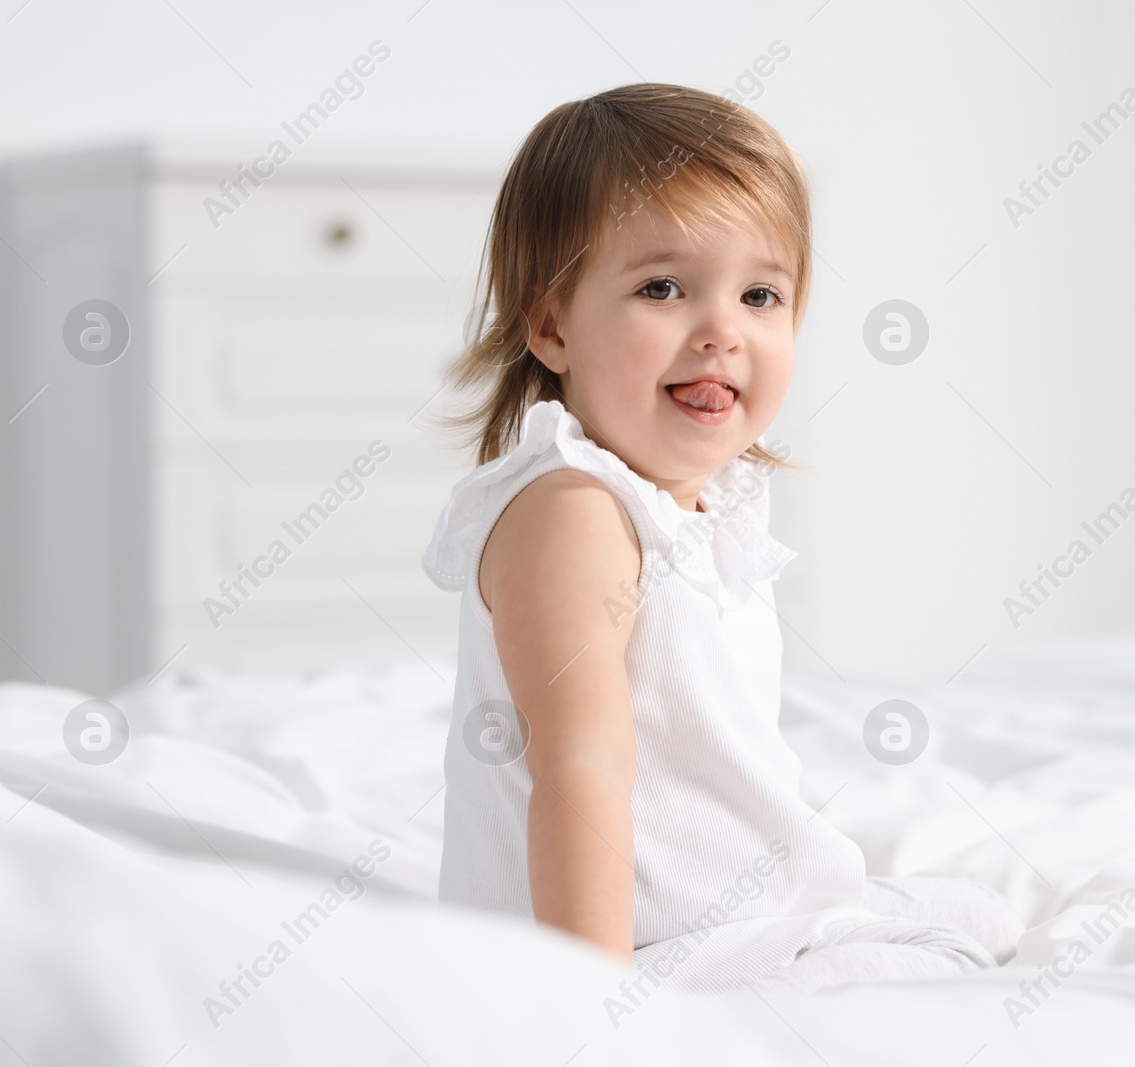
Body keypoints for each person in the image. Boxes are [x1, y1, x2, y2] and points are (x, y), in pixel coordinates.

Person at [424, 83, 1020, 995]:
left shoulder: (694, 508)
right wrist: (587, 1005)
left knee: (975, 909)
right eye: (663, 287)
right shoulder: (572, 513)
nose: (722, 332)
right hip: (634, 945)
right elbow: (577, 765)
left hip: (727, 907)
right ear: (550, 325)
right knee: (947, 959)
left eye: (760, 294)